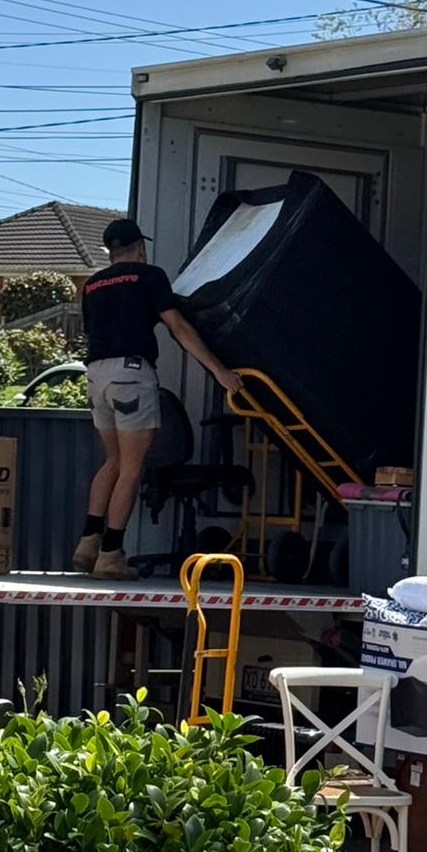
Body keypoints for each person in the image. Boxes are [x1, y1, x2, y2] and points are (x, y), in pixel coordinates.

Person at [72, 217, 242, 581]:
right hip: (131, 374)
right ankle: (111, 555)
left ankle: (88, 543)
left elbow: (95, 333)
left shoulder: (92, 285)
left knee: (113, 461)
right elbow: (178, 327)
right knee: (133, 467)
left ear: (110, 252)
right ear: (140, 247)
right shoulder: (150, 276)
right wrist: (218, 370)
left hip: (96, 377)